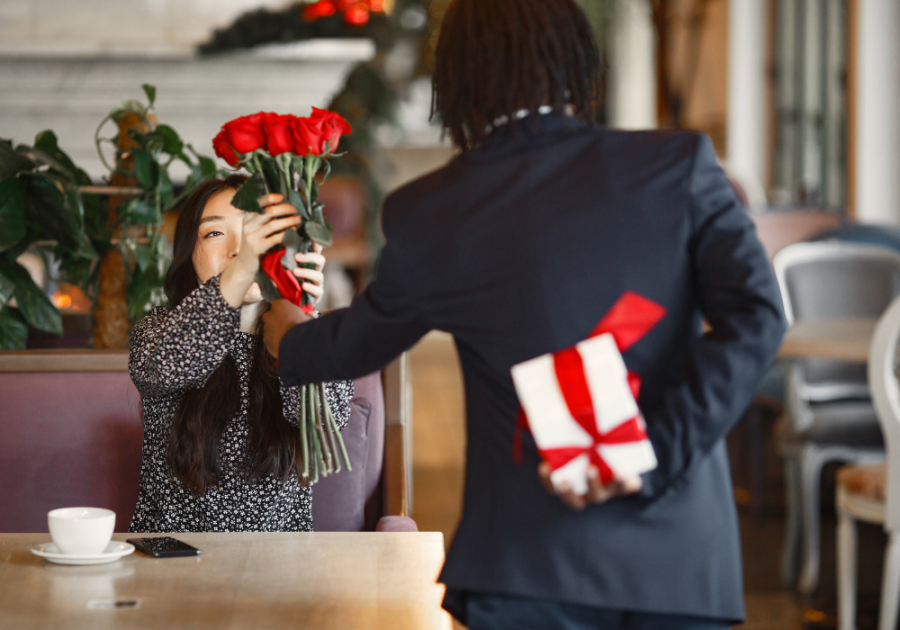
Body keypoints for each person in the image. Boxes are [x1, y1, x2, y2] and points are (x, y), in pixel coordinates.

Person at [263, 0, 787, 627]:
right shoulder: (679, 169)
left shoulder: (435, 209)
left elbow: (356, 343)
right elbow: (758, 317)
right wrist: (652, 452)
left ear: (457, 76)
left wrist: (286, 336)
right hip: (676, 564)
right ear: (573, 56)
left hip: (523, 566)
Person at [128, 175, 353, 533]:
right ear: (189, 253)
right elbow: (172, 365)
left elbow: (328, 422)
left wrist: (301, 316)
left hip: (280, 572)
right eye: (215, 233)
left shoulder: (316, 336)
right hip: (172, 566)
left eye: (252, 233)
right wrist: (244, 266)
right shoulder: (158, 332)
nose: (237, 249)